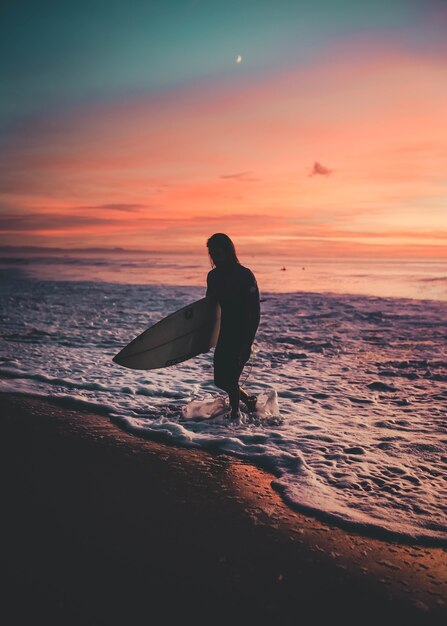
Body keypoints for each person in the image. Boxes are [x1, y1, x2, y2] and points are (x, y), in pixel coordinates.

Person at [205, 233, 260, 421]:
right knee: (220, 380)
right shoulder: (212, 276)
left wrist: (247, 343)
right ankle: (249, 401)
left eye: (217, 251)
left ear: (227, 250)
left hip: (241, 334)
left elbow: (255, 312)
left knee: (231, 379)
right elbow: (209, 308)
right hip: (223, 334)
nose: (214, 255)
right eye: (211, 252)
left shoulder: (244, 275)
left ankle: (235, 416)